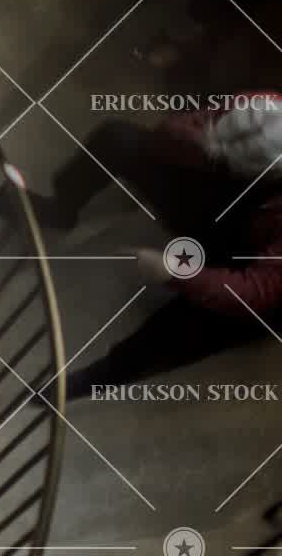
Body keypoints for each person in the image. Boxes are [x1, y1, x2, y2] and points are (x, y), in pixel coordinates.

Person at [38, 92, 282, 398]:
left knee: (191, 320)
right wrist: (201, 143)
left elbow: (256, 292)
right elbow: (166, 134)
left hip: (263, 267)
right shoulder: (265, 106)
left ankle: (103, 375)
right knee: (118, 138)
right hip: (235, 200)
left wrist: (175, 273)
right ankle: (62, 209)